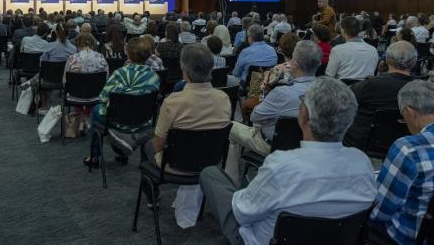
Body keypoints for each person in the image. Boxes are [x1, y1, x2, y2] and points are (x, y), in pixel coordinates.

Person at [200, 77, 377, 245]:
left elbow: (242, 213)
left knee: (211, 174)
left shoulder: (281, 165)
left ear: (304, 115)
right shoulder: (363, 163)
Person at [136, 43, 231, 205]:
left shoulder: (172, 102)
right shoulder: (224, 98)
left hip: (175, 165)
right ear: (210, 69)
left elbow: (158, 145)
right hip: (211, 162)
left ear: (184, 71)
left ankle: (153, 197)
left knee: (146, 144)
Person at [226, 40, 321, 185]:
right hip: (312, 147)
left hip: (274, 145)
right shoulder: (326, 90)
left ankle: (231, 181)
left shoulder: (282, 93)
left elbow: (254, 116)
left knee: (231, 127)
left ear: (294, 64)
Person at [368, 80, 434, 245]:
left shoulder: (409, 149)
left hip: (405, 237)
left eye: (402, 117)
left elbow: (379, 211)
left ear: (410, 112)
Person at [83, 37, 160, 168]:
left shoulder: (120, 73)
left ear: (128, 53)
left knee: (96, 109)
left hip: (117, 121)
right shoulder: (154, 75)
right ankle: (122, 151)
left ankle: (94, 156)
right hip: (144, 121)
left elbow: (103, 98)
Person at [344, 40, 417, 149]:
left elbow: (342, 99)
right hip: (405, 144)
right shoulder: (423, 89)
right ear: (414, 62)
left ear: (387, 59)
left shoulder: (370, 85)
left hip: (362, 143)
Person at [325, 16, 379, 80]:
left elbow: (329, 76)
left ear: (342, 30)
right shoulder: (373, 50)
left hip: (343, 88)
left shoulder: (337, 50)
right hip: (367, 88)